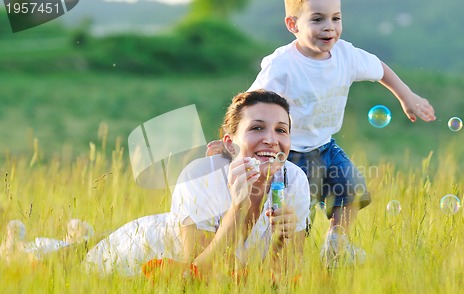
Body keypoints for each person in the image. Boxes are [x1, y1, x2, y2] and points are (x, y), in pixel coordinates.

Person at [208, 0, 436, 268]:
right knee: (293, 217)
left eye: (335, 19)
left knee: (351, 189)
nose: (329, 28)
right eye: (317, 20)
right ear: (293, 25)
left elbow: (380, 69)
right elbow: (248, 105)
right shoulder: (282, 65)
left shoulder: (346, 55)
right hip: (286, 156)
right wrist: (231, 141)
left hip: (326, 146)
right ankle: (279, 266)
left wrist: (406, 96)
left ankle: (337, 241)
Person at [85, 90, 310, 279]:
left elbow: (283, 279)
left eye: (281, 130)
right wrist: (237, 210)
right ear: (230, 145)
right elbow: (196, 274)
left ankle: (81, 236)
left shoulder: (294, 180)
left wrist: (282, 240)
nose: (271, 140)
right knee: (62, 255)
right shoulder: (200, 175)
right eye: (257, 128)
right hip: (131, 257)